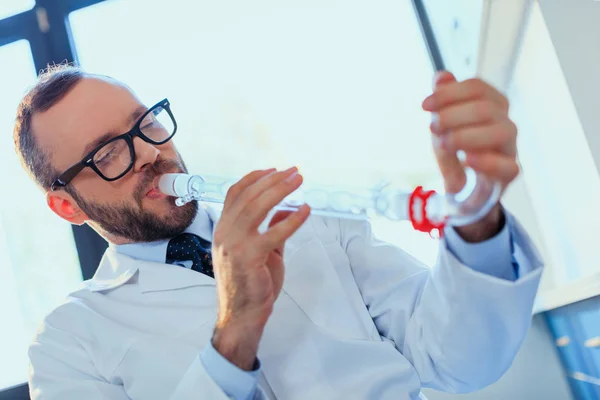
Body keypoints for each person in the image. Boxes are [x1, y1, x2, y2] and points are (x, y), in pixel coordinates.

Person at [15, 65, 542, 400]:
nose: (152, 154)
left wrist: (478, 222)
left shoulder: (299, 217)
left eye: (147, 123)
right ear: (66, 206)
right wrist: (235, 328)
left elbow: (459, 359)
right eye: (108, 153)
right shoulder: (67, 344)